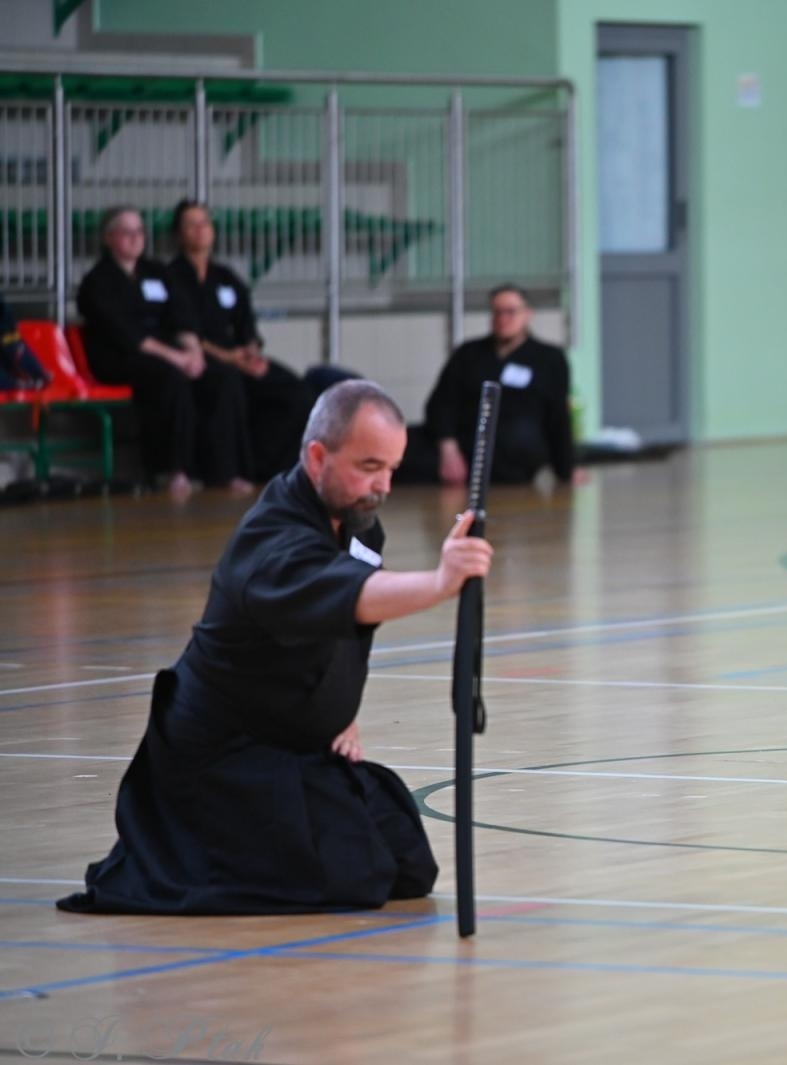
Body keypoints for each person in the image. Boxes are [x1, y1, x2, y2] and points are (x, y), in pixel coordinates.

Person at [58, 380, 494, 915]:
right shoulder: (272, 542)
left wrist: (337, 710)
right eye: (368, 467)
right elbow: (350, 595)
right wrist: (438, 583)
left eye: (391, 470)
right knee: (357, 876)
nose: (381, 486)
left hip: (294, 744)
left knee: (404, 858)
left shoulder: (357, 526)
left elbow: (333, 629)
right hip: (222, 755)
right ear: (317, 456)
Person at [75, 206, 252, 497]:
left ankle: (224, 470)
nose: (135, 238)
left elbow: (181, 318)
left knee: (222, 377)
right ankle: (173, 470)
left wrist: (193, 353)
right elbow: (127, 334)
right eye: (126, 232)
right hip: (122, 358)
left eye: (139, 231)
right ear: (109, 238)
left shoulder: (156, 272)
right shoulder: (97, 281)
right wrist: (177, 358)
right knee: (172, 380)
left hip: (172, 354)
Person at [166, 199, 317, 481]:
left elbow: (247, 326)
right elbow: (183, 329)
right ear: (179, 233)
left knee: (298, 393)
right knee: (227, 384)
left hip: (239, 359)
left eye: (205, 223)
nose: (200, 230)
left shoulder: (226, 277)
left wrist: (251, 354)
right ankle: (228, 472)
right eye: (191, 225)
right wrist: (229, 358)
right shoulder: (171, 277)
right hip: (201, 362)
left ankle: (275, 469)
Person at [403, 285, 578, 486]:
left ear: (528, 314)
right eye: (497, 311)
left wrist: (566, 469)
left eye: (510, 312)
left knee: (519, 438)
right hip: (465, 443)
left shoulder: (549, 358)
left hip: (514, 453)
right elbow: (441, 403)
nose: (503, 318)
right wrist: (448, 449)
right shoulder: (468, 353)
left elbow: (558, 417)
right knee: (400, 443)